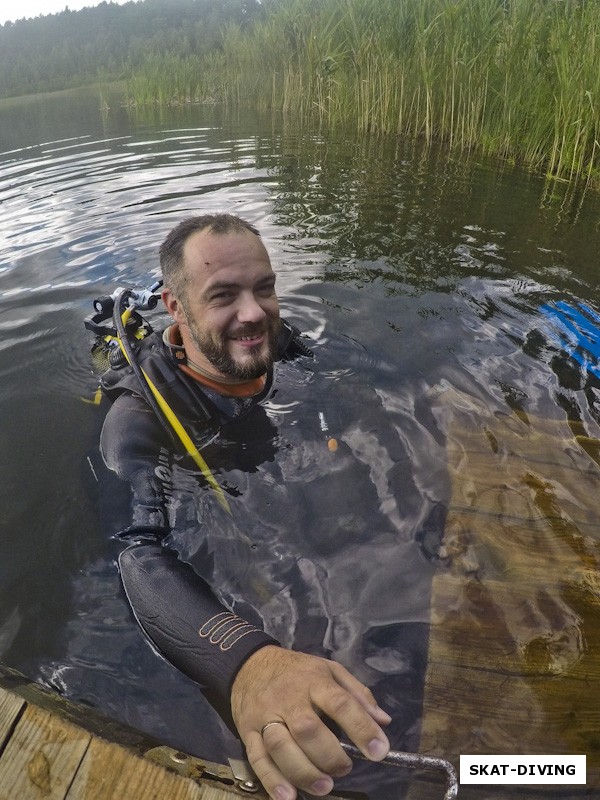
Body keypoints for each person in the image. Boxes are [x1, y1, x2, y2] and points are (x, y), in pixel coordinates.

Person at [96, 214, 433, 800]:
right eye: (223, 296)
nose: (254, 313)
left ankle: (542, 771)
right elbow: (136, 552)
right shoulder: (136, 425)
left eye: (265, 289)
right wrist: (247, 665)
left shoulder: (278, 341)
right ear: (175, 307)